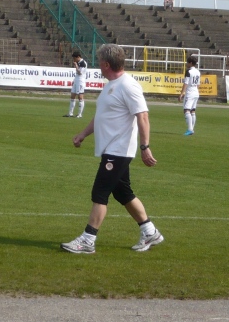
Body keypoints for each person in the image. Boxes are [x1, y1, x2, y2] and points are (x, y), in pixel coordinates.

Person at [61, 44, 163, 255]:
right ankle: (150, 231)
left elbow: (143, 116)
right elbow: (102, 115)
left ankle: (88, 240)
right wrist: (83, 134)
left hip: (119, 150)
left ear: (106, 64)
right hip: (110, 149)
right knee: (123, 193)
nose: (98, 65)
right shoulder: (111, 85)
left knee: (100, 192)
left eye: (100, 61)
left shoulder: (128, 85)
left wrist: (145, 146)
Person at [179, 55, 201, 136]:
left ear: (191, 63)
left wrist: (181, 93)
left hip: (190, 92)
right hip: (196, 92)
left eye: (187, 62)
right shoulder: (198, 72)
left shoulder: (189, 71)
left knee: (186, 110)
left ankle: (190, 129)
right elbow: (198, 84)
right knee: (193, 111)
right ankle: (192, 129)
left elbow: (186, 83)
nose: (186, 64)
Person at [64, 50, 88, 118]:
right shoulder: (78, 62)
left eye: (74, 58)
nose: (74, 60)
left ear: (78, 57)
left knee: (80, 97)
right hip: (76, 80)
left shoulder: (83, 63)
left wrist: (76, 66)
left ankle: (80, 114)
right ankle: (70, 113)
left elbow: (80, 73)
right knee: (72, 96)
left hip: (80, 81)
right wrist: (74, 80)